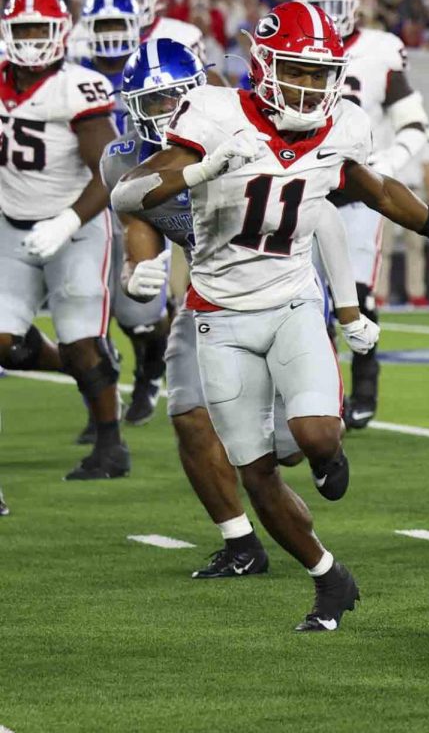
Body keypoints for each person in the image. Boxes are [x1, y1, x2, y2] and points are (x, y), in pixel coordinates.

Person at [110, 0, 429, 630]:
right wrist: (199, 169)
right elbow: (127, 193)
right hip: (217, 314)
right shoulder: (213, 114)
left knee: (315, 437)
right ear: (265, 66)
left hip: (293, 301)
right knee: (254, 473)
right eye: (296, 71)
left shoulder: (341, 127)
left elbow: (378, 194)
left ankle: (329, 454)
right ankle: (329, 578)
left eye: (318, 73)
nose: (308, 86)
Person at [108, 37, 365, 579]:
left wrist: (347, 310)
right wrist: (137, 278)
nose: (168, 113)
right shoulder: (125, 161)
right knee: (188, 415)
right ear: (132, 109)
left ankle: (320, 454)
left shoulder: (237, 126)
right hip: (209, 298)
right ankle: (240, 541)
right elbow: (139, 226)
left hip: (282, 289)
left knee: (295, 445)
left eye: (177, 98)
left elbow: (325, 218)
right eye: (154, 103)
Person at [0, 0, 128, 481]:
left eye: (40, 29)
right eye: (23, 30)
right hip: (12, 223)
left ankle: (110, 444)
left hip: (76, 224)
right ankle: (86, 369)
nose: (31, 41)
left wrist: (69, 221)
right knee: (4, 338)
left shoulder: (78, 86)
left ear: (61, 33)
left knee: (79, 340)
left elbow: (109, 170)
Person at [298, 0, 429, 428]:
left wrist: (382, 171)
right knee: (304, 302)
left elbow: (415, 125)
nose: (327, 21)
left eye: (334, 9)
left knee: (354, 293)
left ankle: (365, 386)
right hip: (303, 190)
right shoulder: (288, 47)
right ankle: (317, 393)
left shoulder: (378, 50)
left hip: (355, 196)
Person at [72, 0, 172, 429]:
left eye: (119, 24)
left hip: (143, 201)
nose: (112, 34)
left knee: (139, 314)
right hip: (91, 202)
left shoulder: (155, 67)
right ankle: (101, 406)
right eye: (104, 25)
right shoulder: (71, 75)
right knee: (85, 310)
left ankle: (151, 366)